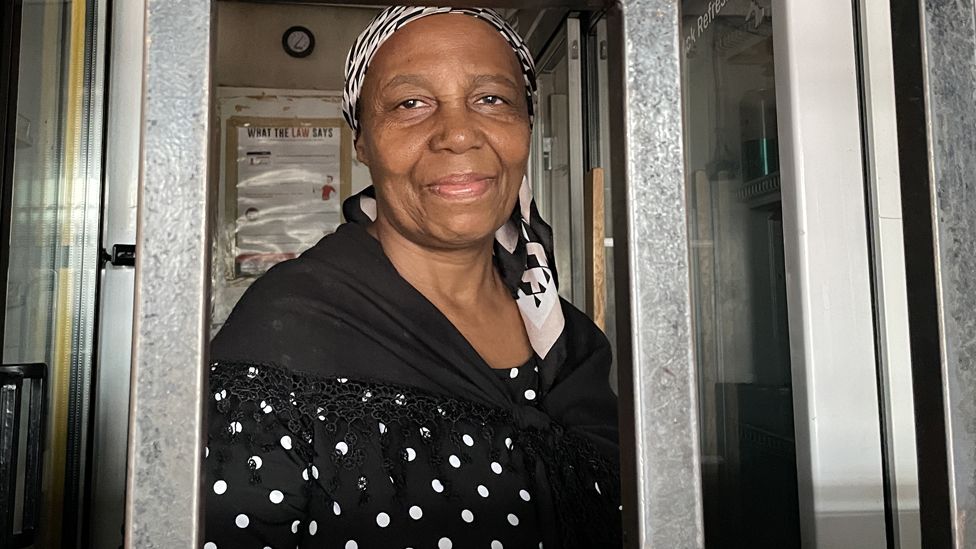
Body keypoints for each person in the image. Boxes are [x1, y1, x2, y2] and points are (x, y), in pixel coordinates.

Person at [204, 7, 621, 549]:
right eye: (411, 104)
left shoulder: (571, 340)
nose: (458, 134)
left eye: (491, 99)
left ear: (525, 127)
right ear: (363, 141)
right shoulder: (287, 329)